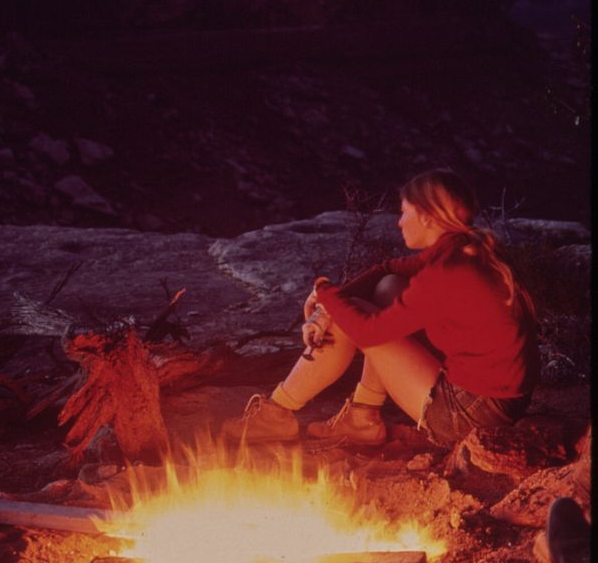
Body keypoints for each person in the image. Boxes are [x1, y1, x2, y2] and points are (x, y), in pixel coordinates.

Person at [222, 168, 539, 448]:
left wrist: (325, 292)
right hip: (498, 404)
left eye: (404, 212)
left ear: (427, 217)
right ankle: (362, 418)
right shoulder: (466, 250)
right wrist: (327, 306)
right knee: (389, 287)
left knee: (356, 313)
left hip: (467, 417)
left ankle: (277, 413)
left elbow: (367, 332)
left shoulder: (447, 272)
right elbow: (388, 269)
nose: (399, 222)